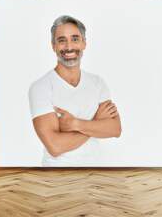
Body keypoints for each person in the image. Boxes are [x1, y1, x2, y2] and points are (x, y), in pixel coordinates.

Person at [28, 15, 122, 166]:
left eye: (75, 39)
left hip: (97, 170)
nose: (69, 46)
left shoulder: (97, 83)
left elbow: (115, 129)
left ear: (84, 43)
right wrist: (96, 123)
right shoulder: (41, 87)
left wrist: (76, 123)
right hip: (58, 175)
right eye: (62, 40)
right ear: (53, 46)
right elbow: (55, 146)